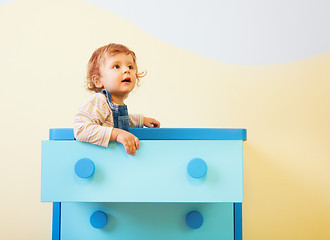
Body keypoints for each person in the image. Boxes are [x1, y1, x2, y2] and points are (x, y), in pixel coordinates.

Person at [74, 43, 160, 155]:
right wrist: (116, 134)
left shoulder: (113, 105)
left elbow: (118, 121)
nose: (126, 70)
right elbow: (80, 130)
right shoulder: (99, 101)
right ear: (98, 81)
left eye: (130, 67)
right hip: (97, 158)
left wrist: (141, 120)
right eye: (116, 66)